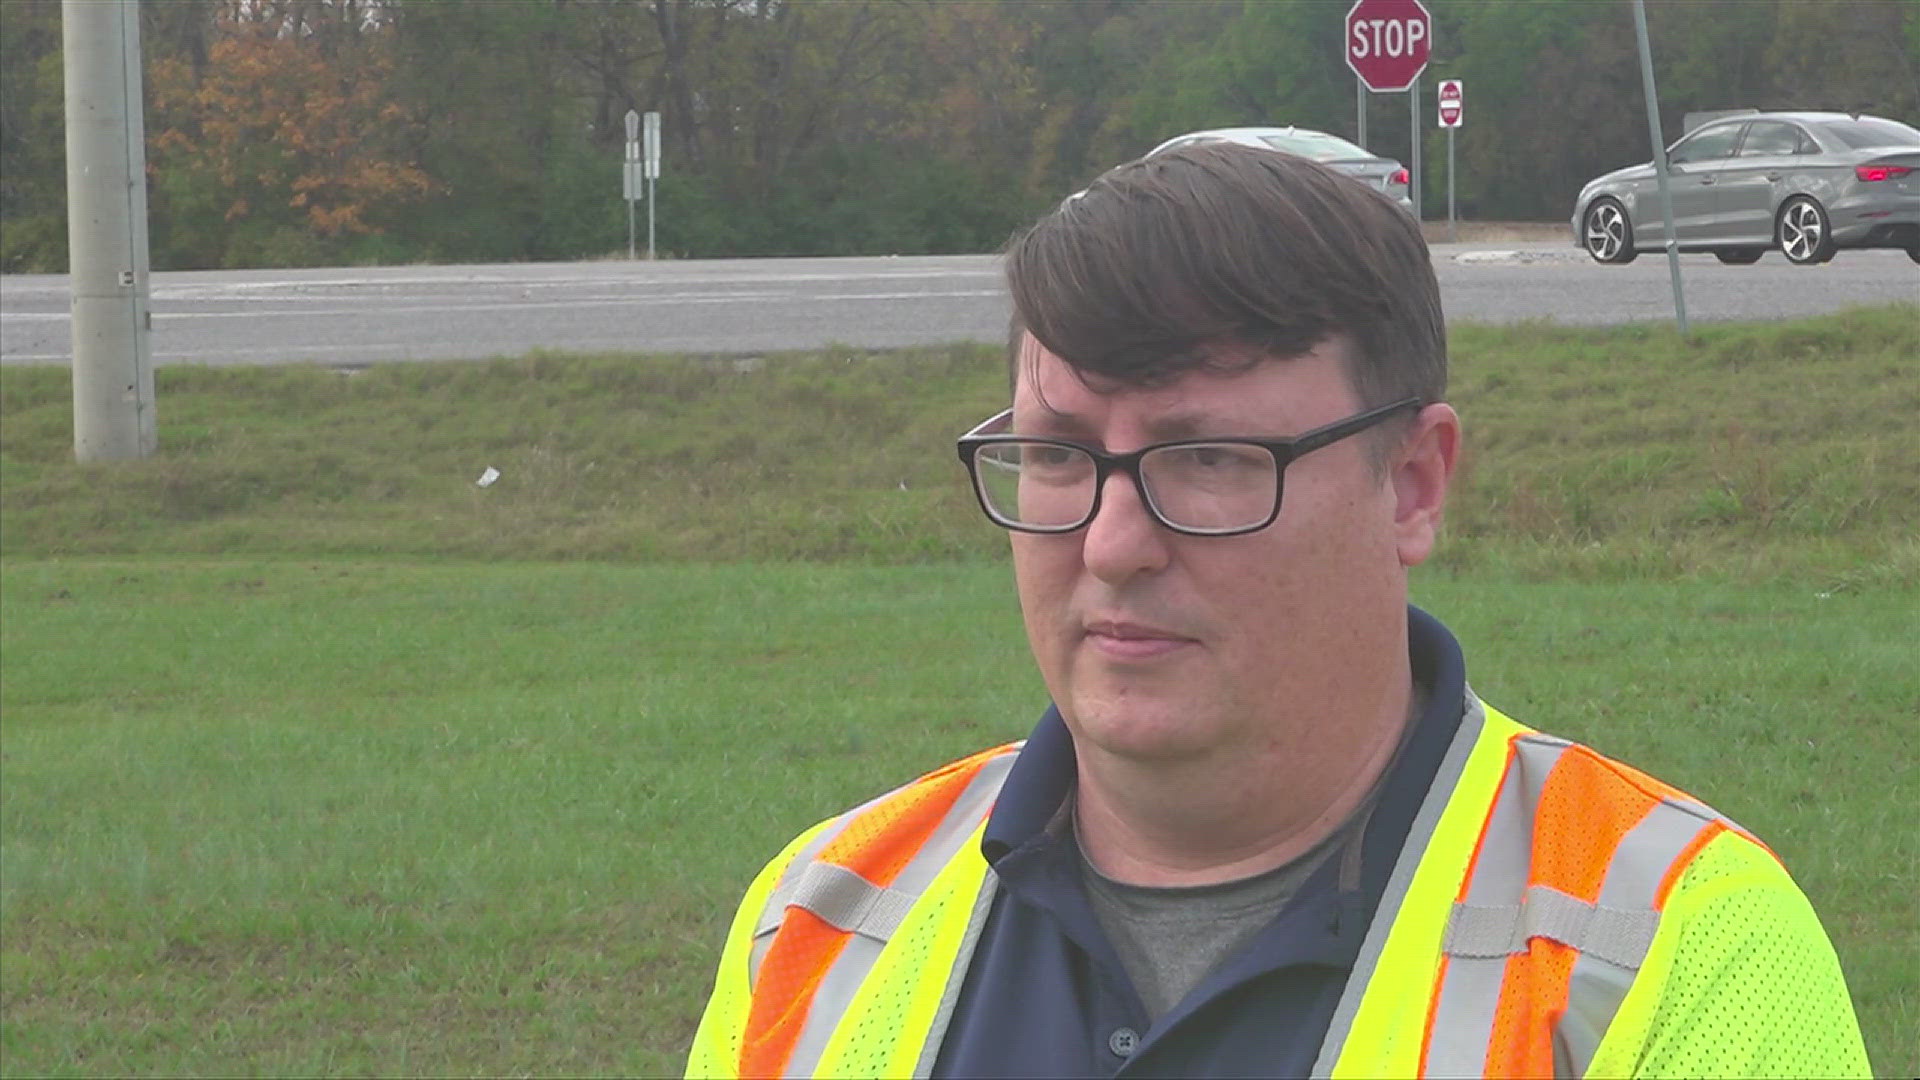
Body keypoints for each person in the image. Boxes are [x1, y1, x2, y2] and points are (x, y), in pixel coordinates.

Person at [684, 142, 1870, 1078]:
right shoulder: (822, 915)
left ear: (1411, 485)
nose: (1110, 544)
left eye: (1207, 460)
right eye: (1057, 457)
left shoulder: (1671, 948)